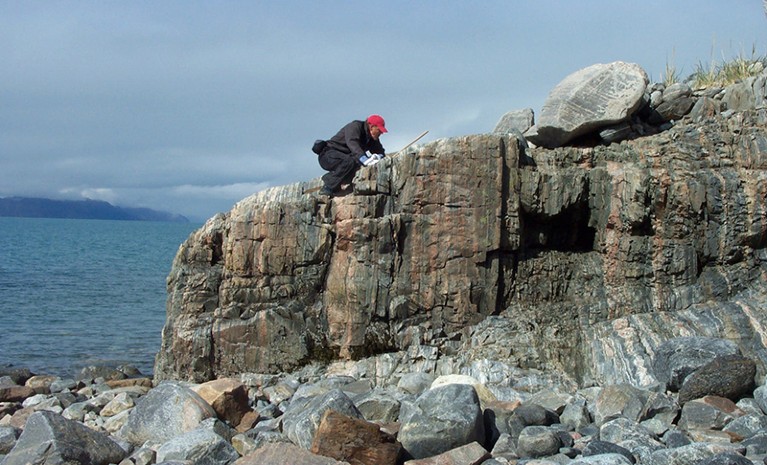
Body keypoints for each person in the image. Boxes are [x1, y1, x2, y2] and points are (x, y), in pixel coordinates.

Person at [316, 114, 387, 196]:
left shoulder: (373, 138)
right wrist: (364, 159)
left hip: (346, 160)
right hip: (328, 155)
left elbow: (380, 152)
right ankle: (328, 186)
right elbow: (352, 143)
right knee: (350, 161)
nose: (381, 133)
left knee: (355, 164)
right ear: (371, 127)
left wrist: (378, 157)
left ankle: (337, 185)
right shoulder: (355, 127)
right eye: (379, 130)